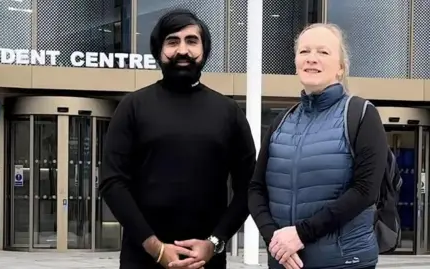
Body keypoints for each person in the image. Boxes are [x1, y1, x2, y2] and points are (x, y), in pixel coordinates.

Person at [99, 9, 256, 269]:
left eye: (192, 41)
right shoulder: (132, 106)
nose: (182, 50)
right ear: (159, 50)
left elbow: (249, 186)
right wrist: (154, 247)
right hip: (142, 258)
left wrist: (214, 243)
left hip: (206, 261)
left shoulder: (228, 112)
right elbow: (112, 182)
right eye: (172, 41)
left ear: (204, 50)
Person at [248, 23, 387, 269]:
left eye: (323, 52)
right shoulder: (282, 122)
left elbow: (365, 191)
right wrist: (276, 241)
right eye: (304, 52)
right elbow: (256, 190)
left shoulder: (362, 114)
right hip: (285, 262)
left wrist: (301, 234)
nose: (312, 59)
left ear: (341, 68)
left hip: (344, 263)